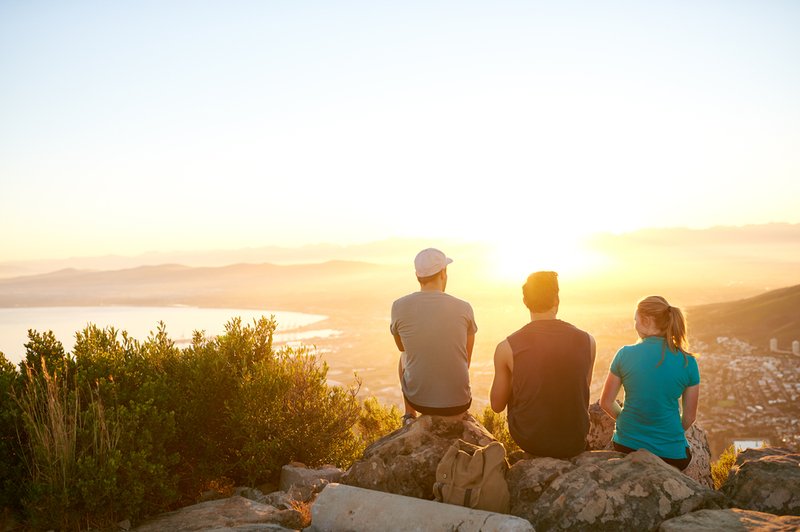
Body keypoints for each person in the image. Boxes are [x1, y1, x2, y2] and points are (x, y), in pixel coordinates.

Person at [490, 271, 596, 458]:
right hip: (575, 440)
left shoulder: (506, 347)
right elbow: (582, 389)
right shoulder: (588, 341)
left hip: (531, 440)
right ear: (557, 300)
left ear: (525, 302)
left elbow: (497, 405)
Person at [599, 295, 700, 471]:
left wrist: (627, 422)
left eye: (635, 320)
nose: (635, 325)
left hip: (626, 446)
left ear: (645, 320)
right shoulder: (687, 362)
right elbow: (690, 417)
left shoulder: (624, 354)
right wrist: (667, 434)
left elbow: (606, 402)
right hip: (672, 457)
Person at [391, 248, 478, 425]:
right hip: (459, 403)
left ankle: (409, 415)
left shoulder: (398, 306)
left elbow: (402, 347)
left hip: (419, 402)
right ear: (443, 273)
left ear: (417, 275)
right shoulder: (464, 307)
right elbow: (466, 358)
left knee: (404, 357)